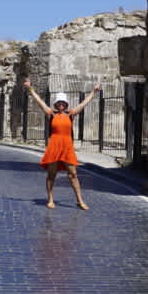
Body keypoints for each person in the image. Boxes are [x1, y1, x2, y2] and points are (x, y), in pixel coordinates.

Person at [24, 76, 99, 210]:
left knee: (73, 175)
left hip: (67, 148)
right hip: (54, 147)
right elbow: (39, 101)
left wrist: (94, 92)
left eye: (63, 103)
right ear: (56, 104)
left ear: (66, 104)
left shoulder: (71, 114)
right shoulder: (51, 114)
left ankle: (79, 200)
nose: (61, 104)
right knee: (51, 175)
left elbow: (83, 104)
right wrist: (30, 89)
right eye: (59, 102)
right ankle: (50, 199)